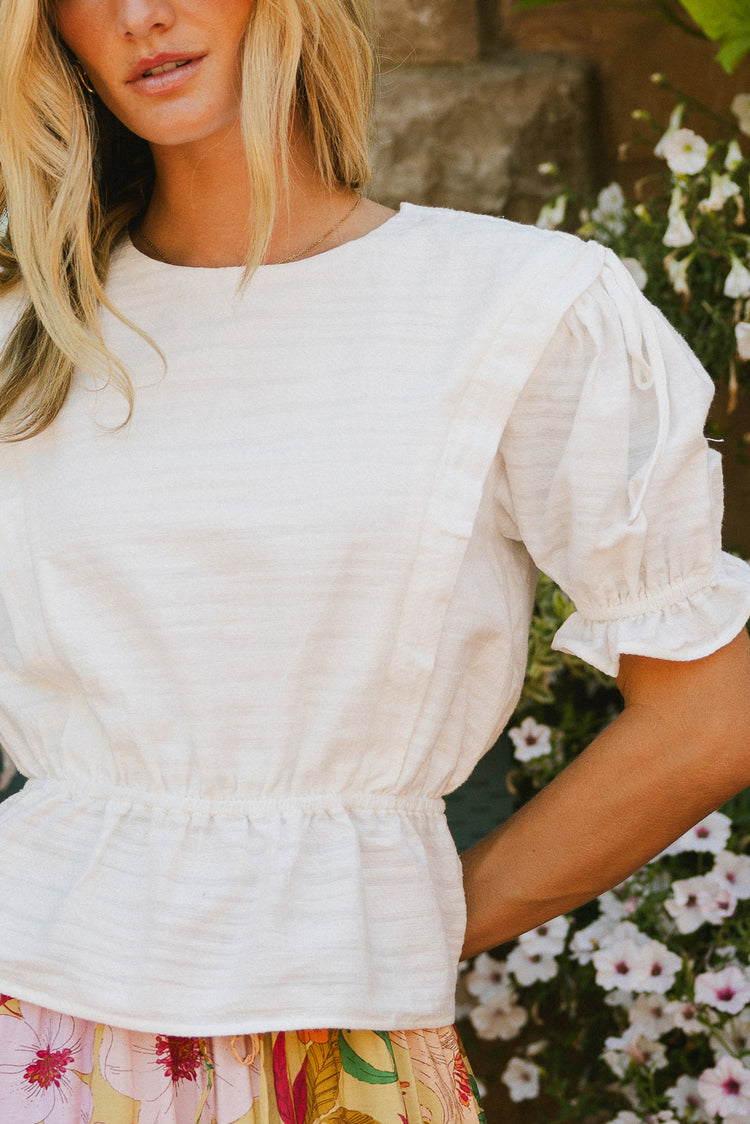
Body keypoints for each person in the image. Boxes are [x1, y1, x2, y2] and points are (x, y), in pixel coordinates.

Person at [0, 0, 749, 1120]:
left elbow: (712, 709)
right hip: (31, 1013)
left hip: (341, 1043)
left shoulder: (519, 306)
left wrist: (421, 912)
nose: (139, 15)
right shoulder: (29, 327)